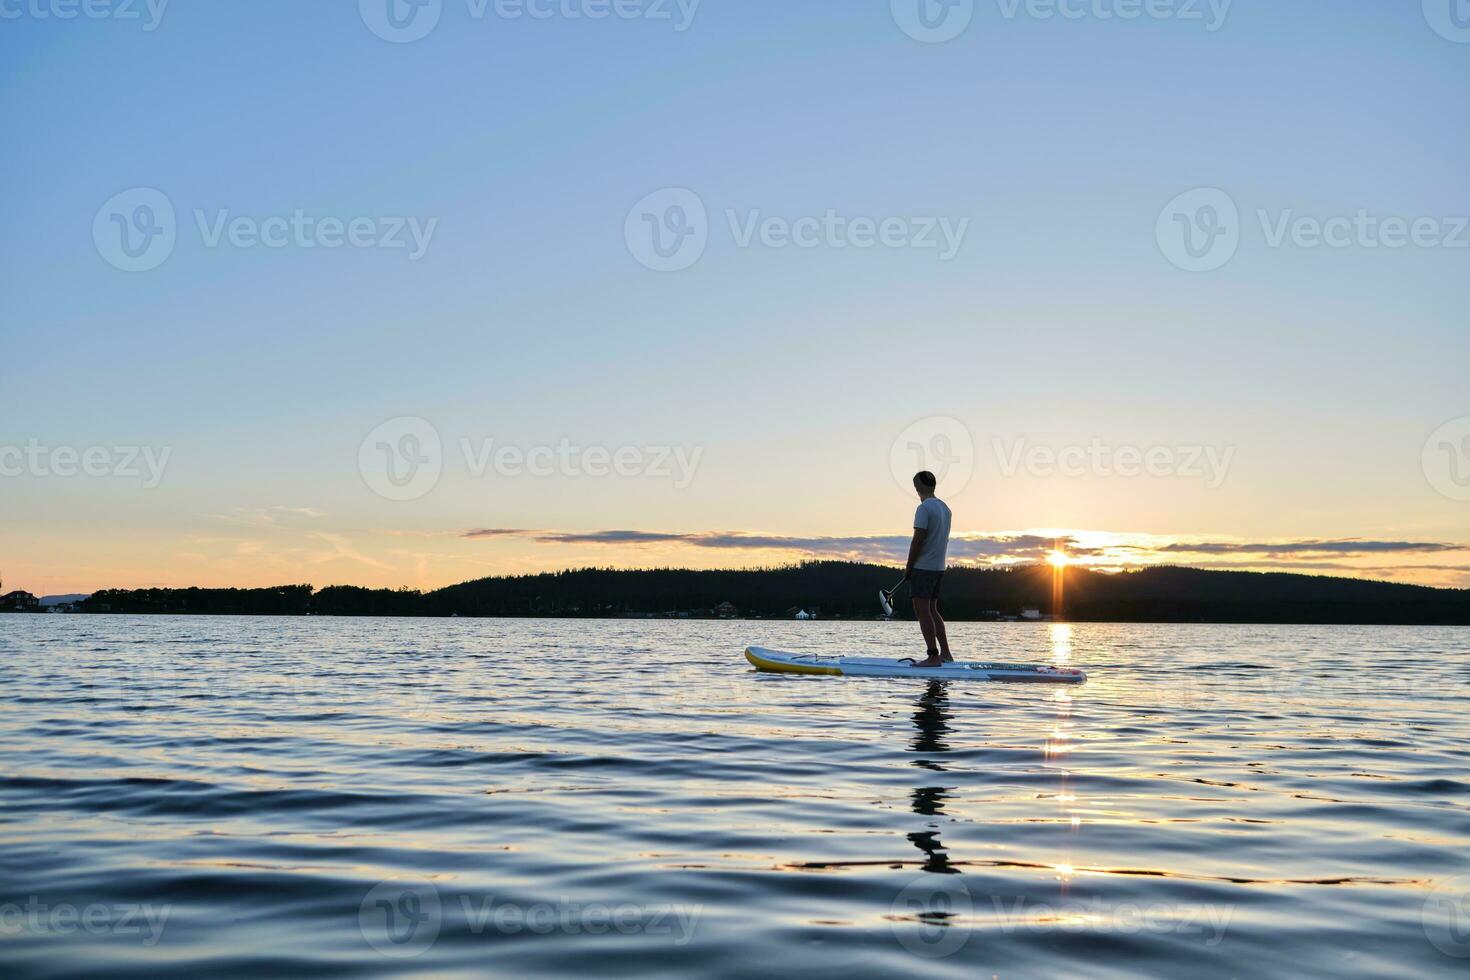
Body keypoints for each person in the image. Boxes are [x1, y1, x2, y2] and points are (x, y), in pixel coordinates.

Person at [904, 470, 953, 668]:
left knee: (922, 611)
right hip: (939, 566)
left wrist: (909, 566)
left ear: (918, 487)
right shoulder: (945, 508)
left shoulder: (923, 508)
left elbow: (918, 539)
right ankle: (946, 653)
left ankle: (933, 656)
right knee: (932, 610)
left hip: (923, 567)